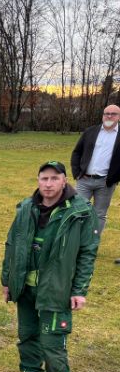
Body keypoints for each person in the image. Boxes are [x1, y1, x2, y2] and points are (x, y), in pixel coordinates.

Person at [1, 161, 98, 372]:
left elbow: (87, 252)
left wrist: (79, 290)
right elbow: (12, 245)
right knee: (27, 336)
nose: (48, 184)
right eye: (44, 178)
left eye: (54, 178)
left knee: (53, 344)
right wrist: (7, 281)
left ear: (64, 180)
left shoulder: (79, 212)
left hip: (56, 291)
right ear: (38, 180)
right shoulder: (26, 208)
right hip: (26, 288)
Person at [70, 104, 120, 263]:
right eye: (106, 113)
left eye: (113, 114)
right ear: (102, 115)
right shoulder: (91, 131)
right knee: (78, 211)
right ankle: (76, 244)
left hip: (105, 183)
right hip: (84, 179)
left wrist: (114, 178)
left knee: (99, 215)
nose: (109, 116)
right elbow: (77, 152)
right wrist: (77, 173)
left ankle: (91, 244)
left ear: (118, 117)